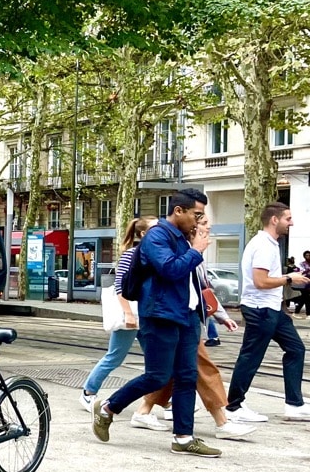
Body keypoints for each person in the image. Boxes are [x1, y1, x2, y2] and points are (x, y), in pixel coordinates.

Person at [93, 188, 220, 457]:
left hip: (186, 315)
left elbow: (193, 280)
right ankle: (108, 408)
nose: (199, 220)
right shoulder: (157, 236)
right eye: (196, 215)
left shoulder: (186, 237)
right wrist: (196, 251)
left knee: (187, 377)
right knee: (158, 376)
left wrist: (207, 314)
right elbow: (170, 269)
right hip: (160, 314)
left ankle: (184, 438)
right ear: (179, 211)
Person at [126, 215, 253, 439]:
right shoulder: (170, 250)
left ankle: (148, 414)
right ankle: (221, 421)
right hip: (169, 319)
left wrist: (220, 315)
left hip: (187, 318)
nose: (206, 229)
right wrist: (129, 313)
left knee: (177, 374)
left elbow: (201, 289)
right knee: (200, 370)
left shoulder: (191, 252)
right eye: (203, 225)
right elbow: (136, 283)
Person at [225, 202, 310, 422]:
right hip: (259, 308)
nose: (291, 223)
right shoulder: (263, 245)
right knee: (251, 356)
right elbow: (260, 281)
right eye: (288, 219)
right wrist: (290, 278)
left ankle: (294, 404)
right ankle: (233, 406)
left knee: (296, 349)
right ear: (275, 220)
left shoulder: (271, 243)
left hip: (271, 309)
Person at [78, 217, 157, 412]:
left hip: (146, 314)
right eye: (157, 229)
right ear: (144, 234)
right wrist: (128, 313)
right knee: (114, 356)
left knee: (156, 360)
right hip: (131, 313)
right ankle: (88, 393)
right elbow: (120, 287)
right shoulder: (131, 255)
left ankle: (161, 399)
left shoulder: (153, 254)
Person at [294, 250, 310, 317]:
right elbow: (300, 271)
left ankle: (298, 310)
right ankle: (307, 312)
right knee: (306, 297)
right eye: (306, 255)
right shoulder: (302, 264)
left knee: (305, 297)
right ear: (304, 256)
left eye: (309, 255)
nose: (308, 256)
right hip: (304, 282)